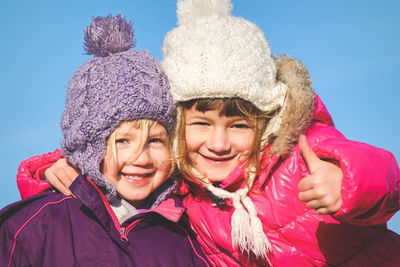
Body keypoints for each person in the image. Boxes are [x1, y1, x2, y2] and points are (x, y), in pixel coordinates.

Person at [14, 1, 400, 266]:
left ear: (264, 123)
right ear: (179, 126)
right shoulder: (187, 189)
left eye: (238, 126)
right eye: (201, 124)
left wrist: (347, 182)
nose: (218, 144)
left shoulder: (298, 153)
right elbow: (124, 170)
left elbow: (384, 176)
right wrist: (58, 165)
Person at [0, 14, 209, 267]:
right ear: (90, 149)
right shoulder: (35, 226)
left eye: (155, 140)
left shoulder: (183, 238)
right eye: (122, 141)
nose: (141, 158)